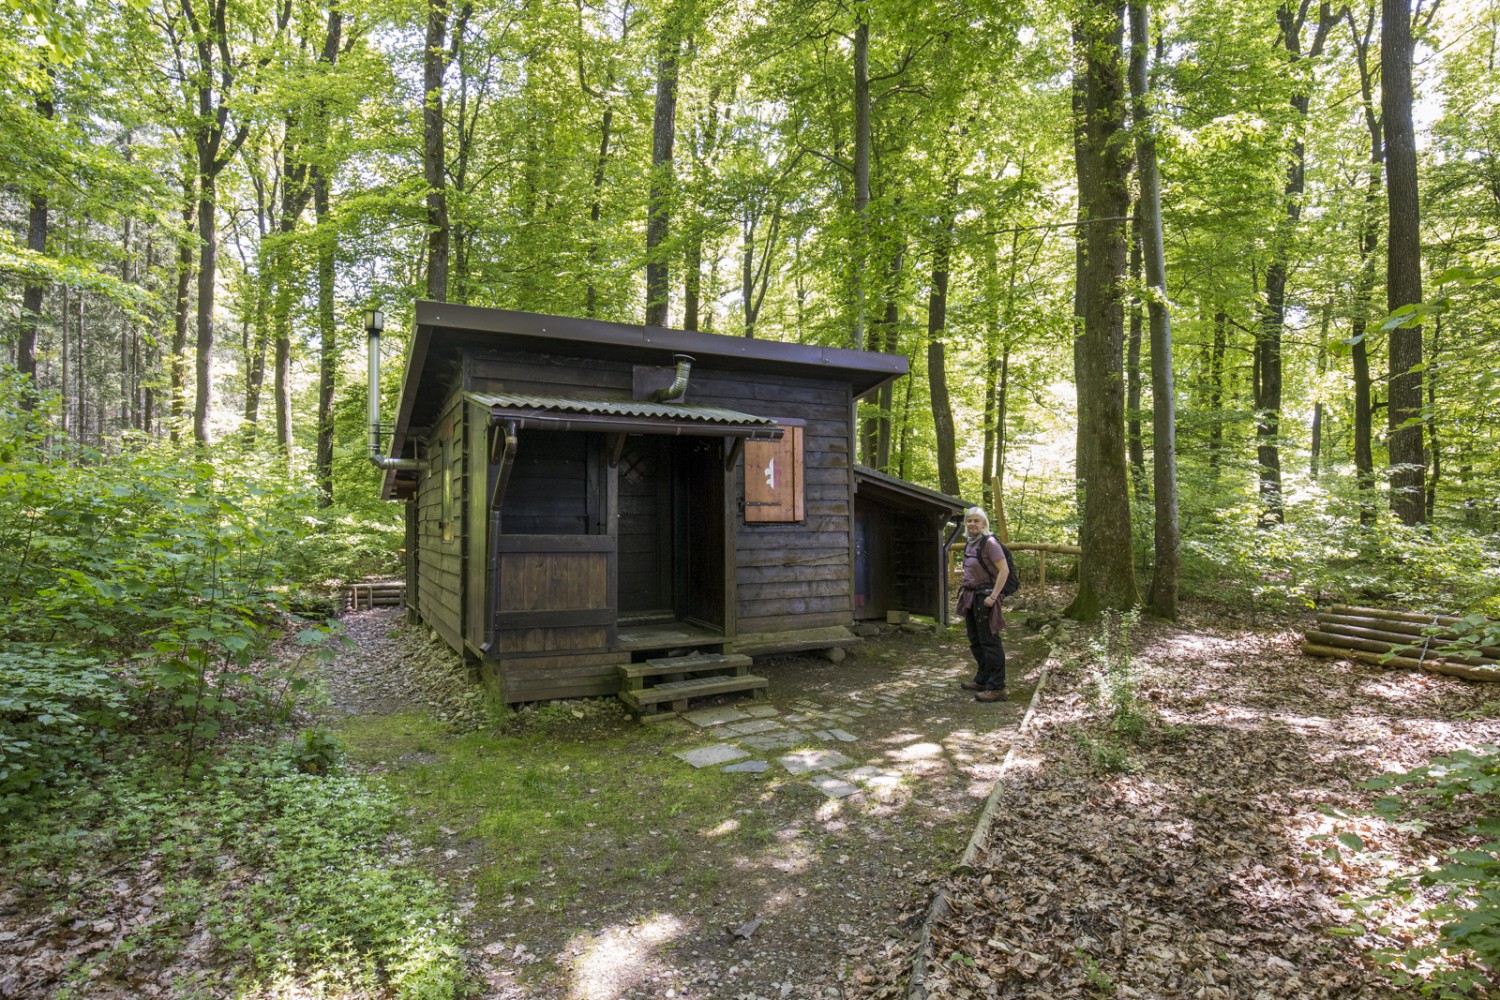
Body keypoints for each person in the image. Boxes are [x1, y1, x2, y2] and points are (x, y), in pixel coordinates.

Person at [956, 506, 1007, 702]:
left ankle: (997, 687)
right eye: (969, 521)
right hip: (971, 596)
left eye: (976, 521)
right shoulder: (970, 543)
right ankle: (983, 678)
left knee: (989, 641)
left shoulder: (990, 543)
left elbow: (1004, 571)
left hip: (985, 597)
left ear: (984, 523)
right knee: (975, 640)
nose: (972, 524)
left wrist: (993, 597)